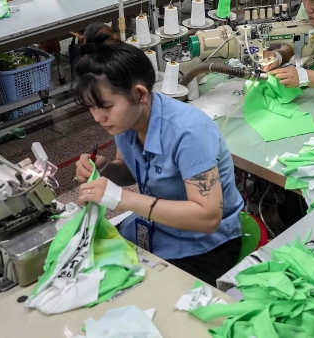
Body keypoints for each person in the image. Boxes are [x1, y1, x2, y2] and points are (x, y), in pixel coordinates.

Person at [72, 23, 244, 286]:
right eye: (91, 108)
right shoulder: (127, 122)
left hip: (202, 246)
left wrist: (120, 198)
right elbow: (132, 170)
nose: (98, 118)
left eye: (105, 106)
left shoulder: (189, 132)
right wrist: (105, 169)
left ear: (139, 94)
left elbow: (208, 218)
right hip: (154, 228)